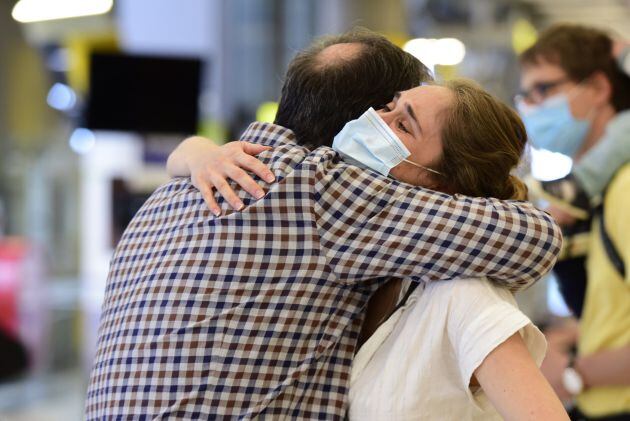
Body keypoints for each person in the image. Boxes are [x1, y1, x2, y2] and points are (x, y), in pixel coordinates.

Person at [85, 29, 562, 420]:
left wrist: (193, 150)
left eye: (402, 119)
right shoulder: (325, 188)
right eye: (387, 107)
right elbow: (537, 238)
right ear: (352, 121)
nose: (381, 120)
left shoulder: (166, 196)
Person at [516, 24, 630, 420]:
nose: (529, 106)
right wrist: (583, 337)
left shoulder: (626, 188)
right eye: (524, 95)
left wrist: (572, 374)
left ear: (598, 88)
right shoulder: (604, 190)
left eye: (543, 90)